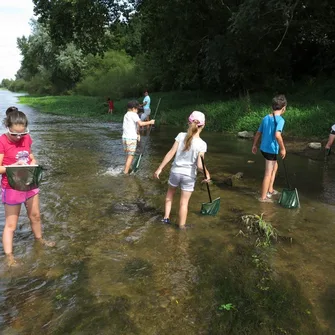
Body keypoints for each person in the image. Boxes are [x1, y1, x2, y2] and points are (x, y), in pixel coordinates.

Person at [0, 110, 55, 266]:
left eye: (22, 133)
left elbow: (30, 156)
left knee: (35, 216)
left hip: (29, 183)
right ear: (7, 127)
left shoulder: (27, 138)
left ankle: (39, 240)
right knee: (11, 224)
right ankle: (9, 257)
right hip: (11, 187)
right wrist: (13, 166)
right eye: (15, 134)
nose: (19, 137)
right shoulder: (2, 141)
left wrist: (34, 164)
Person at [154, 111, 210, 229]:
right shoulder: (202, 144)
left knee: (170, 194)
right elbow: (200, 166)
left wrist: (160, 168)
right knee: (184, 203)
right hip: (189, 176)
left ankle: (166, 218)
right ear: (203, 126)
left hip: (175, 172)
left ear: (189, 122)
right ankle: (181, 227)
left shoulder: (180, 136)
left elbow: (171, 153)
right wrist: (207, 174)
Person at [252, 94, 287, 202]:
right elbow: (277, 135)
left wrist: (254, 145)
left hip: (263, 148)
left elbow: (258, 133)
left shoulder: (266, 118)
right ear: (284, 108)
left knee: (275, 166)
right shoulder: (280, 120)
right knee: (268, 173)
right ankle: (263, 198)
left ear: (272, 107)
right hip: (271, 150)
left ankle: (270, 189)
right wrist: (283, 148)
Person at [122, 100, 155, 174]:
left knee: (128, 155)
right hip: (131, 139)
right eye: (137, 109)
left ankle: (126, 168)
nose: (137, 111)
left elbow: (131, 126)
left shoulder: (126, 114)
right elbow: (140, 123)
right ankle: (125, 173)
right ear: (133, 108)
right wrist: (150, 122)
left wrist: (137, 133)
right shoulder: (134, 114)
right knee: (131, 156)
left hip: (124, 138)